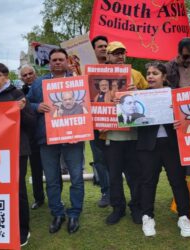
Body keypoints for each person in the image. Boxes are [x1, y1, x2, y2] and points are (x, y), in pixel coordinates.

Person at [28, 48, 84, 234]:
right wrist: (37, 106)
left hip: (74, 137)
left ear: (67, 61)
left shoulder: (77, 80)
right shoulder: (38, 83)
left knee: (76, 177)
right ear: (49, 63)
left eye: (61, 59)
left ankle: (74, 213)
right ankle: (57, 213)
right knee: (52, 179)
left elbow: (88, 102)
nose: (58, 62)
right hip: (48, 139)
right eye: (54, 60)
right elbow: (26, 104)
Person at [137, 61, 190, 237]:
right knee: (147, 182)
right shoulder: (138, 96)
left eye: (155, 73)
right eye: (149, 73)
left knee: (177, 181)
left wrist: (179, 115)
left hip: (172, 145)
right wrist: (121, 101)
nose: (151, 76)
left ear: (164, 77)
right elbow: (129, 118)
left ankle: (184, 216)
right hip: (148, 146)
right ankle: (147, 216)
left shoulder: (175, 94)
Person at [0, 63, 35, 246]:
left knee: (18, 190)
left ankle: (23, 229)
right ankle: (3, 225)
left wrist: (21, 110)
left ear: (6, 77)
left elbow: (31, 123)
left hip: (17, 151)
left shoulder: (17, 95)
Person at [103, 41, 148, 225]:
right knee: (114, 175)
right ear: (108, 56)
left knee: (134, 174)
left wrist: (137, 93)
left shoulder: (136, 74)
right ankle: (117, 208)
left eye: (122, 53)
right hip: (112, 134)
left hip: (133, 134)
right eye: (115, 53)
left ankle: (135, 207)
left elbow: (150, 97)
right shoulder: (100, 75)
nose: (120, 56)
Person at [18, 64, 46, 210]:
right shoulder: (18, 93)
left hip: (45, 134)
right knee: (35, 170)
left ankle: (56, 198)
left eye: (30, 73)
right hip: (29, 138)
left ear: (35, 74)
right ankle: (38, 197)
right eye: (25, 75)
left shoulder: (44, 86)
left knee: (50, 169)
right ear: (21, 78)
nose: (28, 76)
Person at [89, 35, 111, 208]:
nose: (104, 48)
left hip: (116, 124)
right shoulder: (85, 69)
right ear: (93, 49)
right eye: (100, 46)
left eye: (106, 46)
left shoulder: (118, 68)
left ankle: (118, 193)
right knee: (100, 160)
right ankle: (106, 192)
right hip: (94, 124)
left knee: (118, 160)